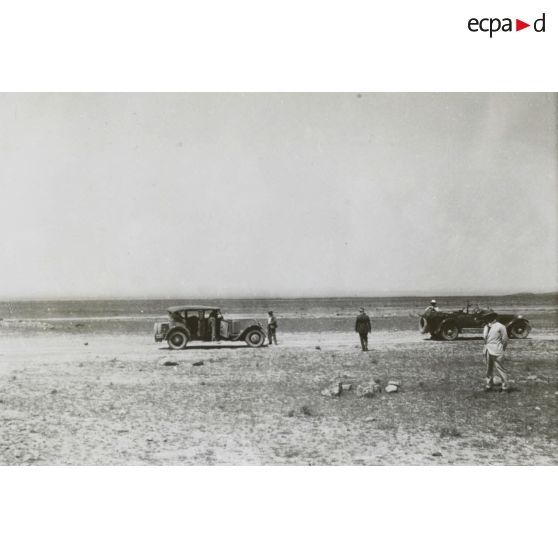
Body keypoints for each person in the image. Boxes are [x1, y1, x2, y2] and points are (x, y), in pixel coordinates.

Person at [483, 312, 510, 392]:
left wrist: (501, 349)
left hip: (497, 351)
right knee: (488, 369)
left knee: (501, 369)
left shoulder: (501, 326)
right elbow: (485, 339)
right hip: (487, 351)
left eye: (489, 317)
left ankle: (505, 387)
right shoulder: (486, 327)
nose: (488, 319)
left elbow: (505, 340)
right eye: (486, 317)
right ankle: (489, 385)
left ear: (494, 317)